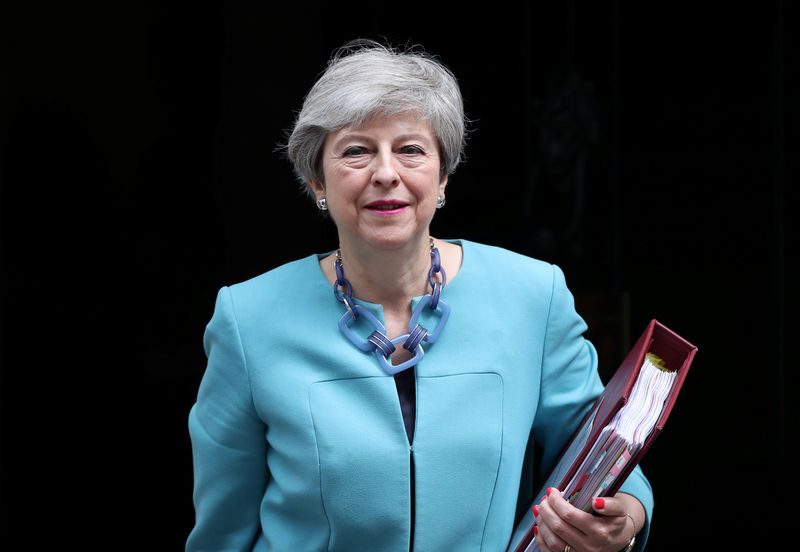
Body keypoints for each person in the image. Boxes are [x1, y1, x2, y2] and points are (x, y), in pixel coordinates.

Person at [186, 39, 652, 552]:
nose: (386, 173)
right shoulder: (247, 319)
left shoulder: (532, 297)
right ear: (316, 179)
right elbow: (221, 535)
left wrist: (625, 517)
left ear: (443, 174)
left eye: (410, 149)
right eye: (357, 150)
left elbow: (600, 447)